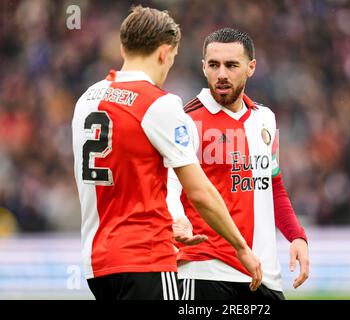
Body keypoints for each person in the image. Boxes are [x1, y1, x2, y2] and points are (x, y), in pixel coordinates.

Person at [72, 8, 262, 300]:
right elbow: (200, 192)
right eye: (171, 58)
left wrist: (171, 217)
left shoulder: (88, 98)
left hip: (97, 266)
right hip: (146, 259)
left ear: (124, 47)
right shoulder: (159, 104)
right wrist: (241, 247)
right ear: (164, 52)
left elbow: (118, 178)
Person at [167, 28, 310, 300]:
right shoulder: (185, 121)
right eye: (214, 65)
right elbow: (169, 188)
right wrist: (178, 220)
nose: (222, 74)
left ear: (251, 67)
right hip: (205, 270)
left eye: (231, 65)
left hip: (264, 273)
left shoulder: (265, 119)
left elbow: (272, 187)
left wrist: (297, 236)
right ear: (204, 67)